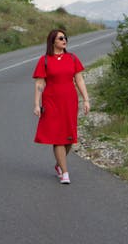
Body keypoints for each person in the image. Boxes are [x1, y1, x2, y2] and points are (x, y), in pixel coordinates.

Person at [32, 29, 90, 184]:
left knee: (69, 137)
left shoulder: (72, 58)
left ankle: (59, 164)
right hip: (51, 102)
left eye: (65, 38)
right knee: (57, 137)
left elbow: (79, 80)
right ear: (53, 42)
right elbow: (39, 84)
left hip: (69, 101)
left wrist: (86, 99)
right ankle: (65, 173)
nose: (64, 40)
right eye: (61, 38)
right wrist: (37, 104)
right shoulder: (44, 60)